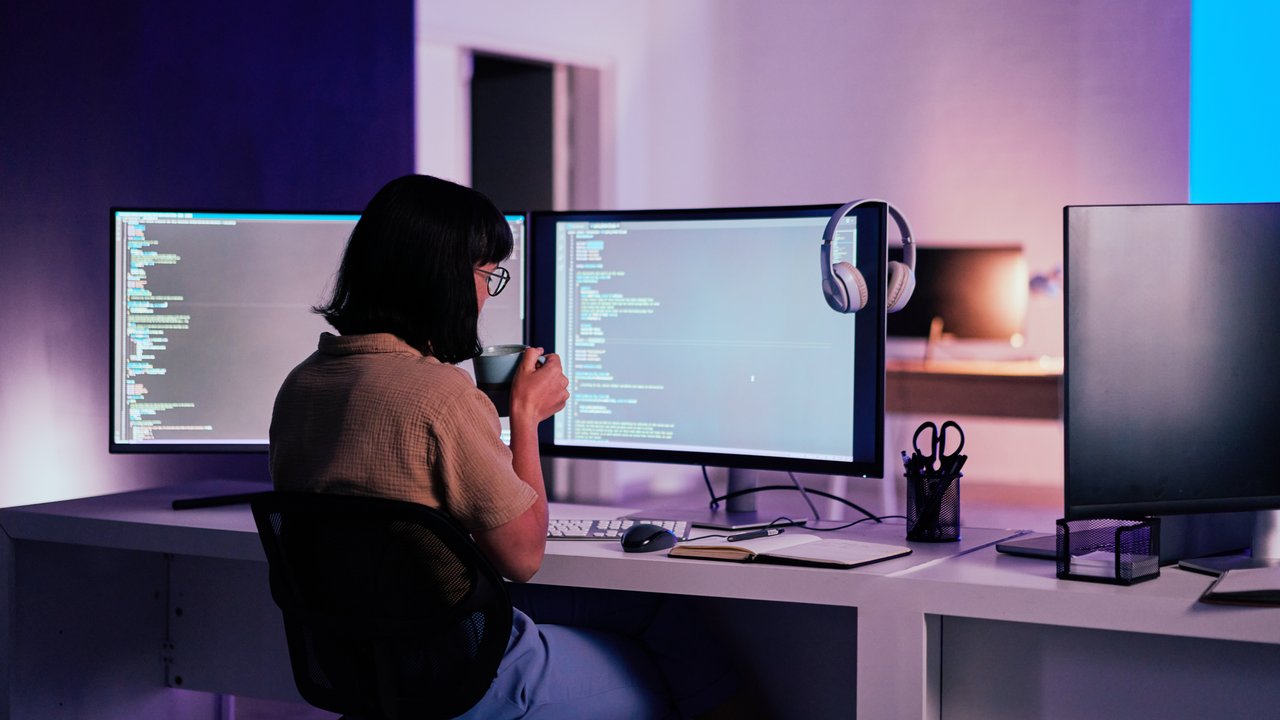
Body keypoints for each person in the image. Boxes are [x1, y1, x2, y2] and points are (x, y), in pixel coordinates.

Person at [269, 174, 738, 719]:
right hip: (466, 676)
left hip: (367, 666)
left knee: (654, 611)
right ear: (442, 278)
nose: (484, 294)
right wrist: (525, 416)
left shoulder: (300, 385)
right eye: (486, 273)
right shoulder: (440, 395)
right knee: (665, 666)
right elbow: (523, 558)